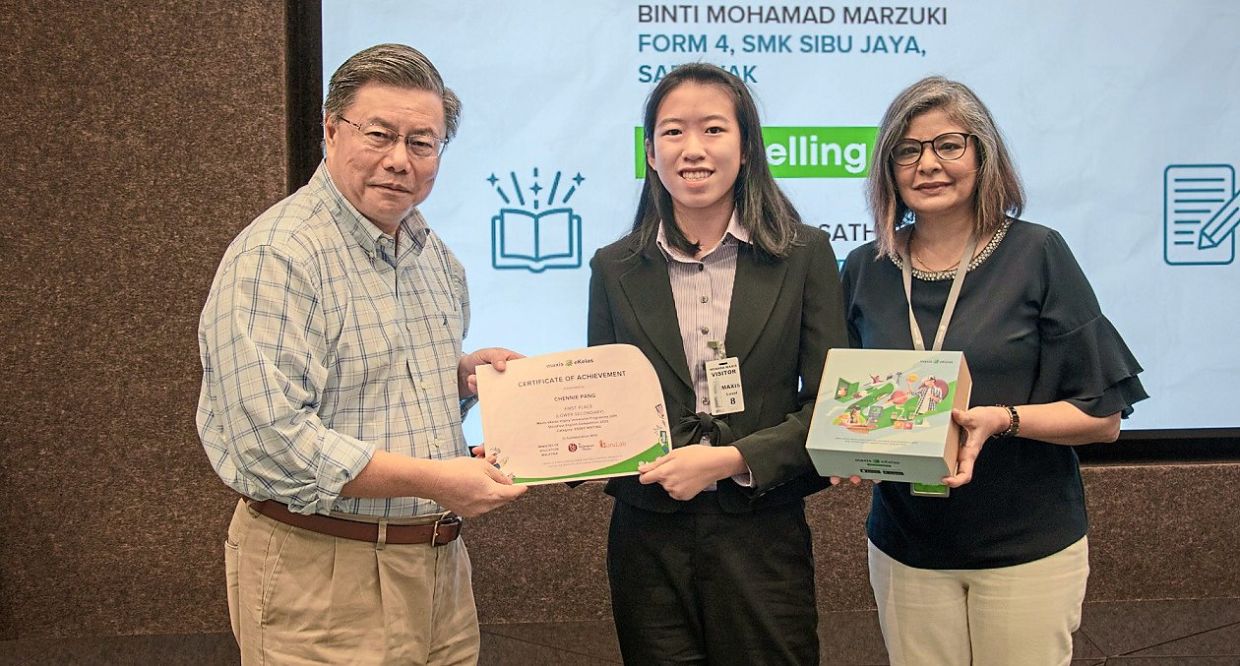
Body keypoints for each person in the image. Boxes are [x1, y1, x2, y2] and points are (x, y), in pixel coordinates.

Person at [197, 43, 526, 665]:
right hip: (322, 576)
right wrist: (437, 480)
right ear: (330, 131)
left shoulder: (436, 261)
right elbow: (270, 443)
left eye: (422, 143)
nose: (400, 160)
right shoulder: (279, 255)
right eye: (379, 134)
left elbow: (376, 395)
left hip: (439, 577)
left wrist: (460, 381)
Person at [839, 76, 1148, 665]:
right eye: (907, 150)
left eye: (948, 145)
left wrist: (1002, 420)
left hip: (1025, 545)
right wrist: (852, 449)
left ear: (983, 155)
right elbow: (846, 400)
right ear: (888, 168)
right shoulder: (865, 267)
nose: (927, 164)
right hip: (906, 546)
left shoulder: (1038, 254)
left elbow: (1103, 417)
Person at [588, 63, 848, 665]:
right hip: (647, 533)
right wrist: (530, 439)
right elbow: (600, 405)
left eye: (713, 130)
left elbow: (836, 407)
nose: (693, 149)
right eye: (673, 132)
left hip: (761, 530)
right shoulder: (613, 267)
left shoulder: (803, 255)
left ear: (747, 147)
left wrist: (728, 460)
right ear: (650, 152)